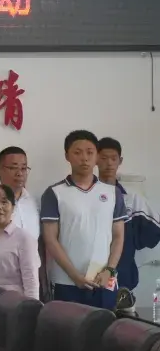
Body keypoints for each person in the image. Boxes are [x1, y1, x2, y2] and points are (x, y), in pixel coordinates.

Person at [42, 130, 127, 309]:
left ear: (96, 156)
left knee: (106, 325)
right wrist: (74, 275)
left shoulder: (113, 193)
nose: (84, 158)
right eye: (77, 152)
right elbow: (50, 239)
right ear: (67, 156)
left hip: (104, 279)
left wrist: (110, 270)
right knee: (66, 326)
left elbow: (118, 236)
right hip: (66, 281)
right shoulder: (54, 193)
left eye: (90, 152)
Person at [97, 137, 160, 297]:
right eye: (103, 158)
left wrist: (130, 243)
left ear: (120, 161)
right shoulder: (85, 196)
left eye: (113, 158)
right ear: (95, 159)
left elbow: (154, 231)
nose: (109, 163)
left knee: (121, 311)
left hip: (122, 275)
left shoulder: (131, 199)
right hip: (89, 273)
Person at [0, 183, 40, 299]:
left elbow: (31, 281)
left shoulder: (24, 239)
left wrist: (32, 308)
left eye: (4, 202)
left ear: (13, 207)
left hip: (13, 305)